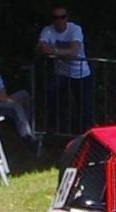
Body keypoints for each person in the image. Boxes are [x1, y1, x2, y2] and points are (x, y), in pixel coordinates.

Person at [36, 6, 94, 134]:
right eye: (56, 17)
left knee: (84, 106)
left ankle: (84, 134)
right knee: (53, 96)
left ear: (67, 18)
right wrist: (57, 52)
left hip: (80, 73)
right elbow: (40, 48)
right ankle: (58, 129)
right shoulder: (48, 30)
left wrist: (53, 51)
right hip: (61, 73)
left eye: (62, 17)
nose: (59, 20)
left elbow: (74, 52)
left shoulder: (75, 29)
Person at [0, 54, 36, 145]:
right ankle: (26, 135)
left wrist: (8, 99)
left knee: (24, 94)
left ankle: (27, 124)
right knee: (16, 105)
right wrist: (9, 101)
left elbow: (3, 92)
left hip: (2, 100)